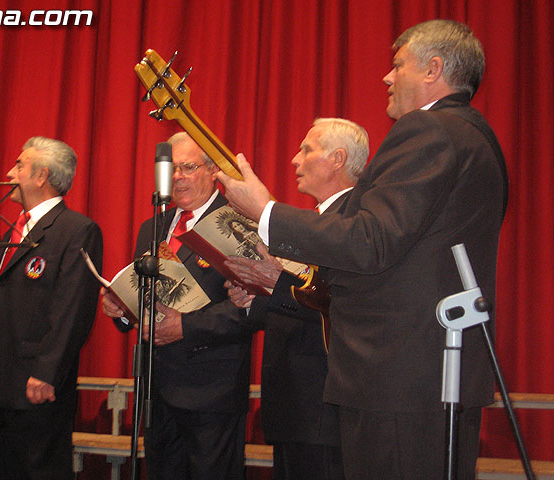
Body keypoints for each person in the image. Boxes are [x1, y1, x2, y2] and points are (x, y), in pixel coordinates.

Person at [217, 20, 508, 480]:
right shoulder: (474, 134)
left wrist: (266, 211)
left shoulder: (428, 130)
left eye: (397, 65)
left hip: (399, 376)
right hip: (429, 372)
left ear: (433, 69)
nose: (387, 78)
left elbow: (370, 241)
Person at [102, 132, 252, 480]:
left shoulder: (237, 222)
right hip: (156, 388)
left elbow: (249, 308)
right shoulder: (152, 226)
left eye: (188, 167)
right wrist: (123, 310)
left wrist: (186, 326)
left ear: (213, 170)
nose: (178, 177)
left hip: (212, 391)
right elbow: (144, 296)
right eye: (173, 169)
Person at [225, 118, 368, 480]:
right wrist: (252, 300)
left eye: (307, 150)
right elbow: (293, 302)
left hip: (323, 404)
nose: (294, 159)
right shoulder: (312, 222)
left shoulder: (356, 221)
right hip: (292, 403)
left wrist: (276, 285)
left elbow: (346, 304)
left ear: (338, 159)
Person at [0, 136, 103, 479]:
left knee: (40, 471)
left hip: (36, 386)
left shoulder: (77, 230)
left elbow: (73, 309)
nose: (9, 174)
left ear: (41, 175)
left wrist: (47, 371)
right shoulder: (15, 229)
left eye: (19, 166)